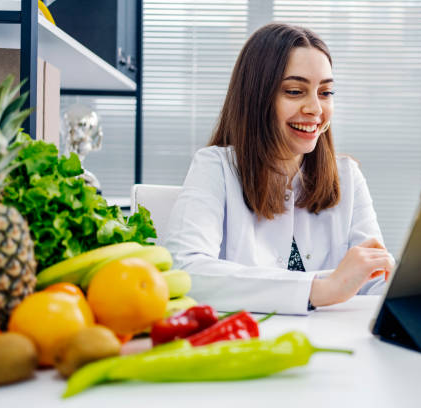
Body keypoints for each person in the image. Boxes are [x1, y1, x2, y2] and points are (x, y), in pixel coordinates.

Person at [165, 23, 394, 315]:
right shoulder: (215, 167)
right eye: (296, 91)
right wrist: (319, 289)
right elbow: (185, 272)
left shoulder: (348, 176)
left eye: (325, 93)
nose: (315, 108)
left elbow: (371, 282)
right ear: (257, 98)